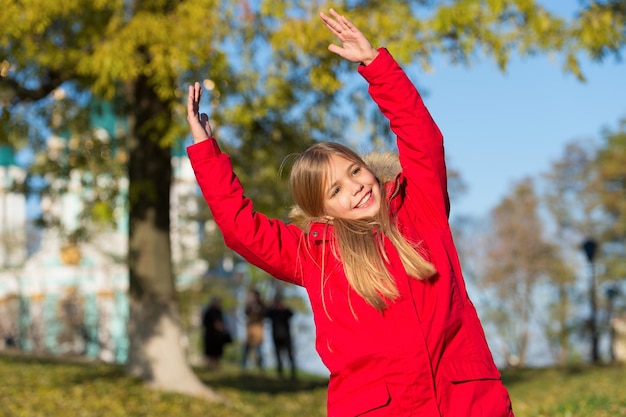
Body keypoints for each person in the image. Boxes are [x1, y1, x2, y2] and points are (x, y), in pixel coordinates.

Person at [186, 7, 515, 416]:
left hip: (464, 401)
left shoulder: (419, 210)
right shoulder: (315, 254)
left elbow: (421, 138)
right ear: (322, 211)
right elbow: (242, 230)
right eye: (336, 190)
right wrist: (206, 153)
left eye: (356, 171)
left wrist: (376, 66)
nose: (357, 186)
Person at [265, 293, 297, 380]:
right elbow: (266, 314)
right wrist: (271, 306)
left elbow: (291, 313)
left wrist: (284, 307)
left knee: (290, 356)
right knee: (278, 356)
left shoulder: (285, 311)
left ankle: (293, 374)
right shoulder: (273, 311)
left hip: (286, 336)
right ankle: (280, 374)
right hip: (276, 336)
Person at [201, 296, 232, 369]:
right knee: (210, 354)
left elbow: (223, 323)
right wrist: (214, 325)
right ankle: (210, 368)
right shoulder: (208, 312)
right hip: (210, 336)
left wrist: (221, 326)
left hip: (218, 337)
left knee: (217, 354)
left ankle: (216, 368)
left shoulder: (219, 312)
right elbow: (205, 323)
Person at [241, 289, 266, 370]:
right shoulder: (249, 305)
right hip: (250, 329)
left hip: (258, 329)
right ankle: (243, 366)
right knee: (247, 348)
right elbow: (245, 312)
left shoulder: (262, 305)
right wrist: (249, 304)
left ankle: (261, 366)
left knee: (258, 349)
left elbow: (264, 314)